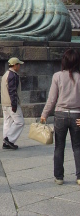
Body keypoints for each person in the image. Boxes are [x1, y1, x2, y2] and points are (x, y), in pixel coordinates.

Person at [41, 48, 80, 186]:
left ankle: (59, 177)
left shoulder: (57, 76)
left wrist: (44, 114)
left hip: (61, 115)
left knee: (59, 147)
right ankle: (79, 176)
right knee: (77, 147)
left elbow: (52, 99)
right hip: (77, 115)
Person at [1, 57, 25, 150]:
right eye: (19, 64)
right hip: (11, 103)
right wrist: (14, 104)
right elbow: (12, 91)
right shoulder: (13, 75)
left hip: (5, 103)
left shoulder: (6, 74)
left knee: (7, 123)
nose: (20, 66)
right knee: (20, 122)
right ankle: (9, 139)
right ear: (15, 65)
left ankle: (5, 142)